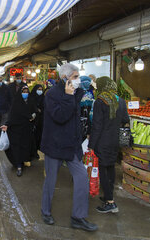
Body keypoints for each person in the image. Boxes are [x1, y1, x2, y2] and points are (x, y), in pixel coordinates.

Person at [40, 63, 98, 232]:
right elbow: (60, 116)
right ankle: (45, 211)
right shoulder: (51, 94)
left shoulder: (76, 93)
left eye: (78, 76)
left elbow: (75, 118)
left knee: (82, 179)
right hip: (55, 146)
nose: (78, 80)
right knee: (50, 181)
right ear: (65, 78)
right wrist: (67, 96)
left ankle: (78, 217)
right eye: (75, 77)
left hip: (72, 146)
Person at [88, 76, 129, 213]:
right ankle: (108, 195)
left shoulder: (100, 101)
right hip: (115, 141)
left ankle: (110, 202)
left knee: (103, 171)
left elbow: (97, 126)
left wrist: (91, 144)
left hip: (103, 142)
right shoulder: (121, 101)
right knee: (111, 168)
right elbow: (125, 120)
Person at [0, 86, 36, 177]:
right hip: (15, 129)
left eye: (27, 91)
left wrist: (33, 116)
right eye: (23, 91)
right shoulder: (16, 103)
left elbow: (35, 112)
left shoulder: (31, 101)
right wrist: (7, 125)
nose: (25, 93)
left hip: (26, 129)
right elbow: (11, 116)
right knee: (16, 147)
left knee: (25, 147)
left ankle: (23, 161)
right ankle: (19, 166)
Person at [30, 84, 45, 159]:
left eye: (41, 89)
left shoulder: (43, 98)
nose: (40, 91)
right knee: (33, 137)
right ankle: (32, 151)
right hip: (33, 121)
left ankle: (37, 151)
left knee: (39, 136)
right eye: (38, 89)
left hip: (41, 121)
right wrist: (36, 109)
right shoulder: (31, 98)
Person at [79, 76, 95, 140]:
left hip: (76, 128)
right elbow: (91, 116)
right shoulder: (90, 97)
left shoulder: (75, 95)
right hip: (86, 127)